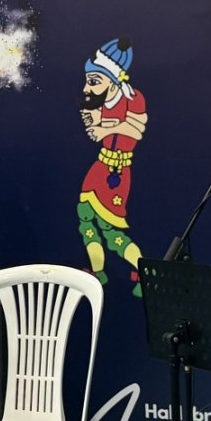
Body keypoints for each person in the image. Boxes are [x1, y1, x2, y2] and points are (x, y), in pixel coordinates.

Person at [77, 37, 147, 296]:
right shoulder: (102, 101)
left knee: (112, 233)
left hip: (116, 173)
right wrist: (94, 121)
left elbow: (136, 129)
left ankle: (143, 272)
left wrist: (106, 127)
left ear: (113, 79)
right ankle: (97, 272)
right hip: (100, 166)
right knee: (86, 219)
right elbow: (96, 129)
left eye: (94, 81)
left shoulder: (133, 98)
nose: (88, 87)